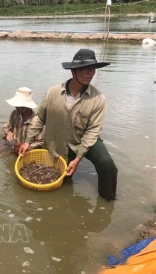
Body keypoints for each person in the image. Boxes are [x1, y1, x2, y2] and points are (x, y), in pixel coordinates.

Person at [19, 48, 118, 201]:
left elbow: (93, 131)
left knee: (108, 164)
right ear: (73, 71)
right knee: (61, 180)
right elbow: (40, 117)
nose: (91, 73)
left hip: (84, 139)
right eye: (86, 69)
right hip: (57, 140)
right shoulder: (53, 92)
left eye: (93, 69)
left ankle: (108, 201)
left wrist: (78, 158)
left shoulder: (98, 98)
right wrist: (28, 141)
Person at [2, 87, 44, 154]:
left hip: (29, 154)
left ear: (25, 107)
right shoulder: (15, 114)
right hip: (14, 151)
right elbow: (5, 127)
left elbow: (41, 142)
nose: (16, 107)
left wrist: (27, 146)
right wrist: (8, 133)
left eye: (18, 106)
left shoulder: (36, 121)